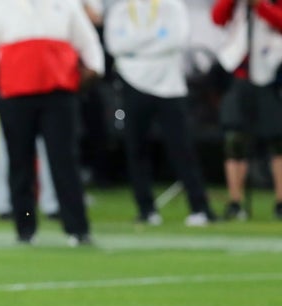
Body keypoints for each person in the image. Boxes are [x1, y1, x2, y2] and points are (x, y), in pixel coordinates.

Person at [0, 0, 105, 246]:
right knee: (20, 162)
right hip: (15, 95)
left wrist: (95, 67)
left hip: (59, 94)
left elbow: (88, 40)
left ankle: (77, 227)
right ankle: (25, 227)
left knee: (64, 160)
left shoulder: (67, 4)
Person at [104, 0, 217, 226]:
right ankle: (146, 210)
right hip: (132, 80)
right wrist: (156, 40)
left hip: (169, 84)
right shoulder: (121, 9)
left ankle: (200, 207)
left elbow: (178, 40)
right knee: (136, 148)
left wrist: (136, 46)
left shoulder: (172, 6)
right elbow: (114, 45)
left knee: (182, 148)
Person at [211, 0, 282, 220]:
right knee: (234, 139)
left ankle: (280, 202)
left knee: (278, 141)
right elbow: (218, 18)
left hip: (272, 73)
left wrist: (261, 5)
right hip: (240, 75)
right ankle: (235, 201)